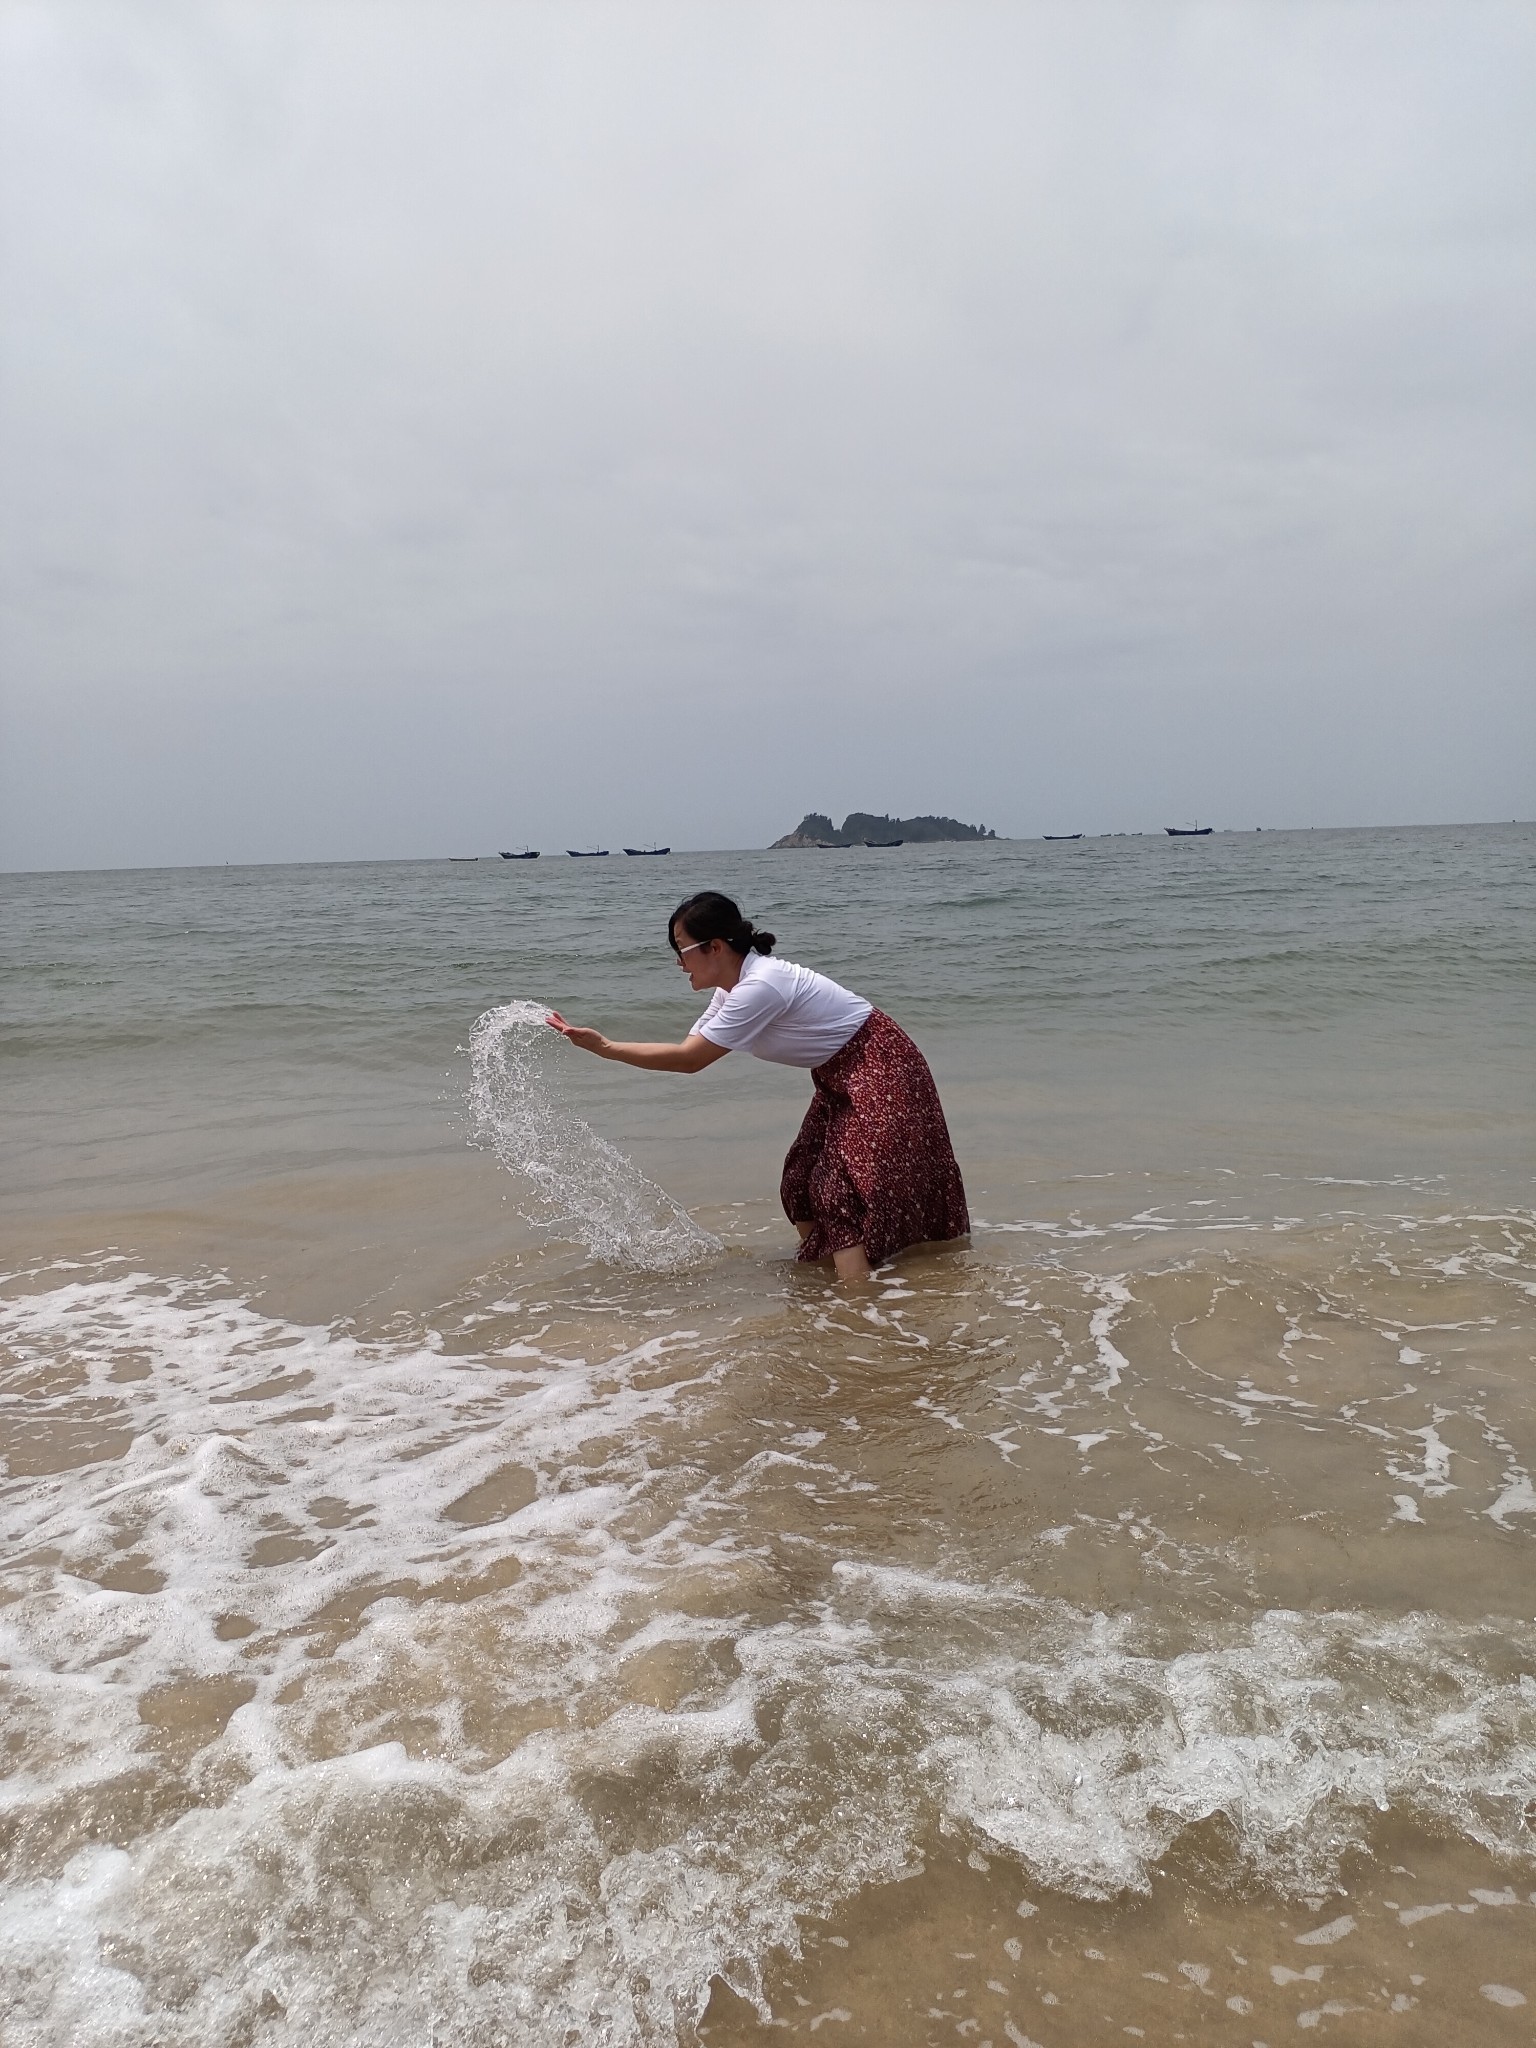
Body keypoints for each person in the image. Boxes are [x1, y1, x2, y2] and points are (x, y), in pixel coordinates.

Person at [547, 890, 968, 1281]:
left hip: (882, 1066)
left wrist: (604, 1047)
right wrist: (603, 1046)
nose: (678, 963)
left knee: (838, 1190)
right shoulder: (731, 991)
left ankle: (857, 1307)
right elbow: (687, 1048)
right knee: (799, 1179)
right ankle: (825, 1280)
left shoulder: (760, 986)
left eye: (682, 949)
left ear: (715, 947)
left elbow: (690, 1061)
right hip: (838, 1073)